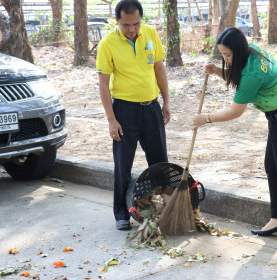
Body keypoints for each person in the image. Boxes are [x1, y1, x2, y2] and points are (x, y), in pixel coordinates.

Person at [193, 27, 277, 255]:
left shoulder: (252, 74)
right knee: (272, 168)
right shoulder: (254, 52)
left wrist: (205, 119)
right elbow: (238, 74)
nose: (225, 59)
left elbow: (234, 112)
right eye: (222, 55)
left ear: (239, 51)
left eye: (228, 56)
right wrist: (219, 70)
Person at [96, 0, 170, 230]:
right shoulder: (107, 43)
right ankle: (121, 213)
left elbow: (159, 67)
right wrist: (111, 119)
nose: (132, 29)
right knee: (123, 164)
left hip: (151, 108)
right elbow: (103, 83)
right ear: (117, 21)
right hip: (124, 111)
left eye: (136, 24)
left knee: (159, 163)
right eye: (126, 25)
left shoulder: (150, 33)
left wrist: (166, 101)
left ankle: (162, 209)